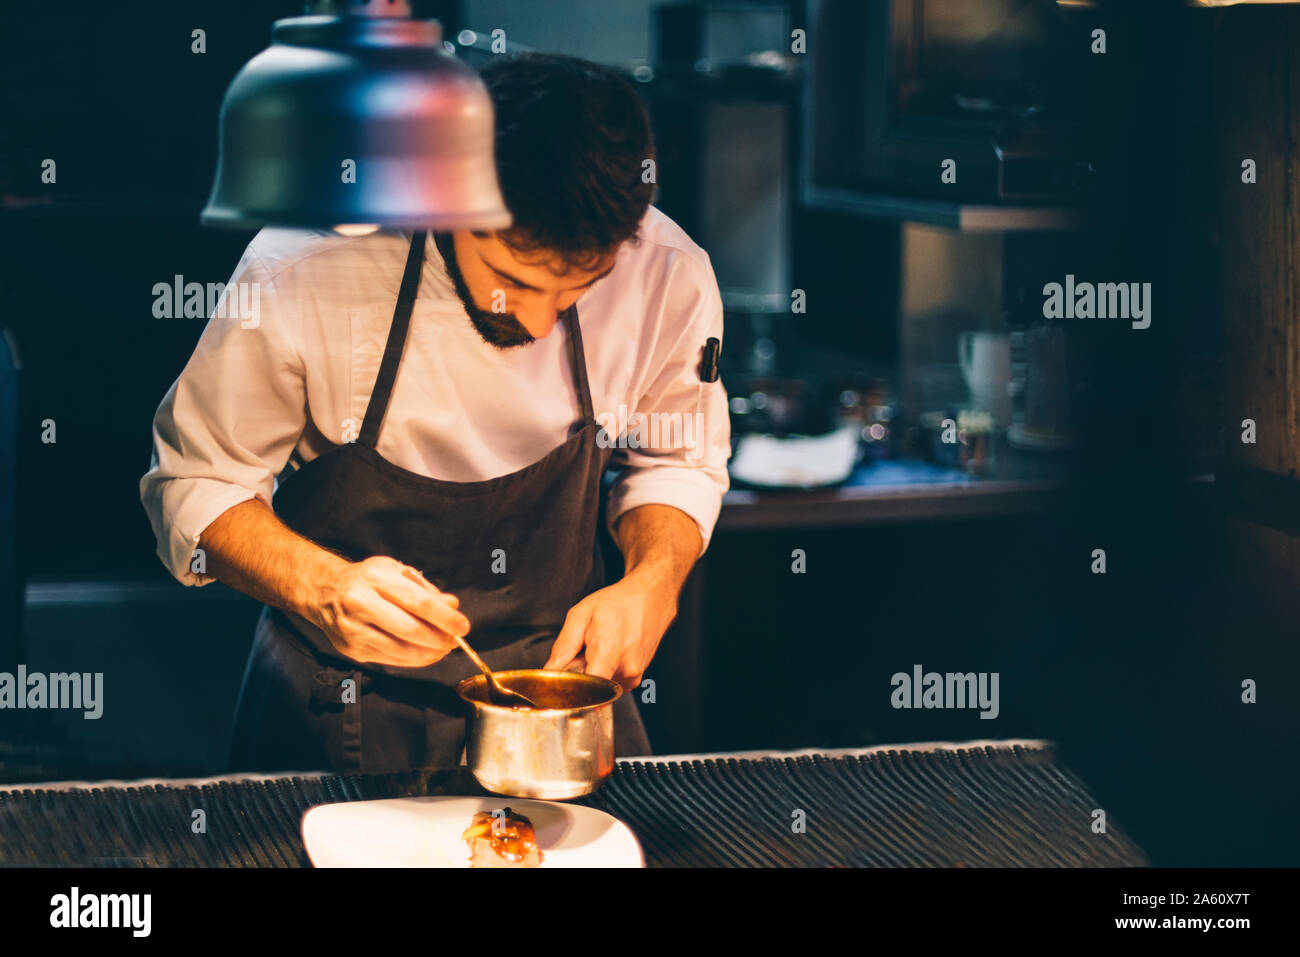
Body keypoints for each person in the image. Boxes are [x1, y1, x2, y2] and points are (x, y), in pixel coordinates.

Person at [140, 52, 730, 773]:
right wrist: (322, 586)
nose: (543, 326)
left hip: (557, 708)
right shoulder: (306, 265)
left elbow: (677, 459)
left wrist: (652, 581)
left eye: (580, 286)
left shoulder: (667, 271)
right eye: (515, 281)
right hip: (334, 703)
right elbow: (195, 483)